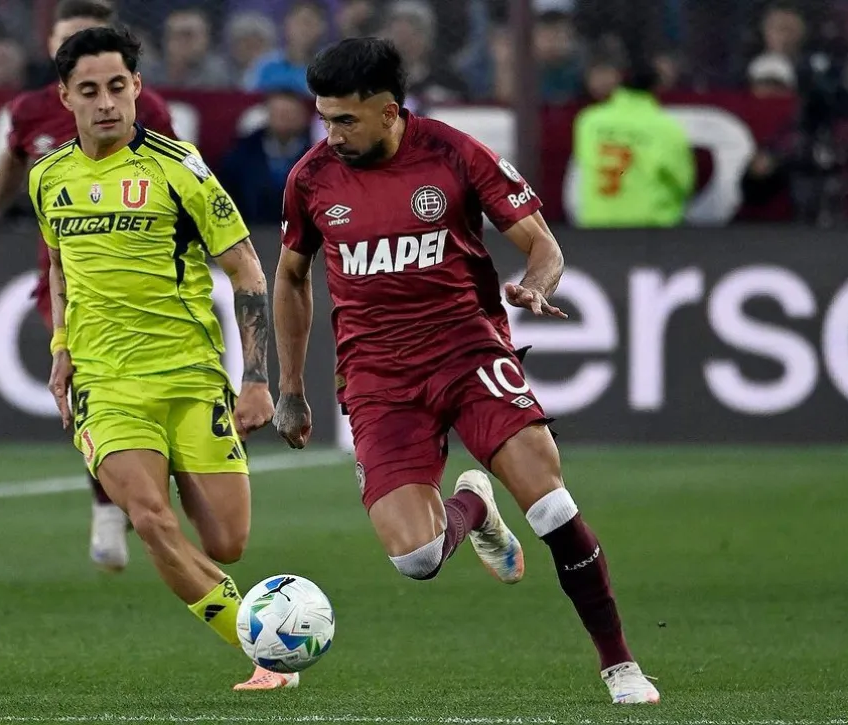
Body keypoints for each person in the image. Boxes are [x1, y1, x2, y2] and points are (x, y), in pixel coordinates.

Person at [272, 37, 660, 705]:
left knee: (550, 501)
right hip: (379, 380)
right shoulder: (311, 179)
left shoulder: (453, 152)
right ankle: (473, 503)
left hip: (468, 352)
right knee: (415, 559)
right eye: (323, 117)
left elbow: (542, 242)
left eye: (345, 120)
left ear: (390, 112)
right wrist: (289, 390)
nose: (329, 135)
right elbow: (291, 275)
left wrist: (536, 283)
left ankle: (620, 664)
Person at [27, 24, 298, 692]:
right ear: (65, 96)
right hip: (108, 385)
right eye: (88, 91)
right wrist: (62, 349)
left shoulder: (180, 168)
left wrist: (257, 379)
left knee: (227, 543)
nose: (105, 103)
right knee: (150, 517)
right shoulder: (48, 178)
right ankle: (262, 648)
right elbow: (60, 268)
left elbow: (248, 271)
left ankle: (247, 618)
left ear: (137, 88)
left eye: (117, 86)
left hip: (189, 378)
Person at [0, 0, 177, 573]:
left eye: (84, 38)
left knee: (141, 389)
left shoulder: (144, 107)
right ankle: (107, 503)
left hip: (143, 284)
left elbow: (182, 176)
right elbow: (10, 163)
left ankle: (141, 485)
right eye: (64, 41)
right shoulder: (31, 109)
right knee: (87, 377)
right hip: (63, 280)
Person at [572, 63, 695, 228]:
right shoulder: (666, 128)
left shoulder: (588, 121)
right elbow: (683, 182)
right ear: (657, 86)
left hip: (596, 224)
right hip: (649, 227)